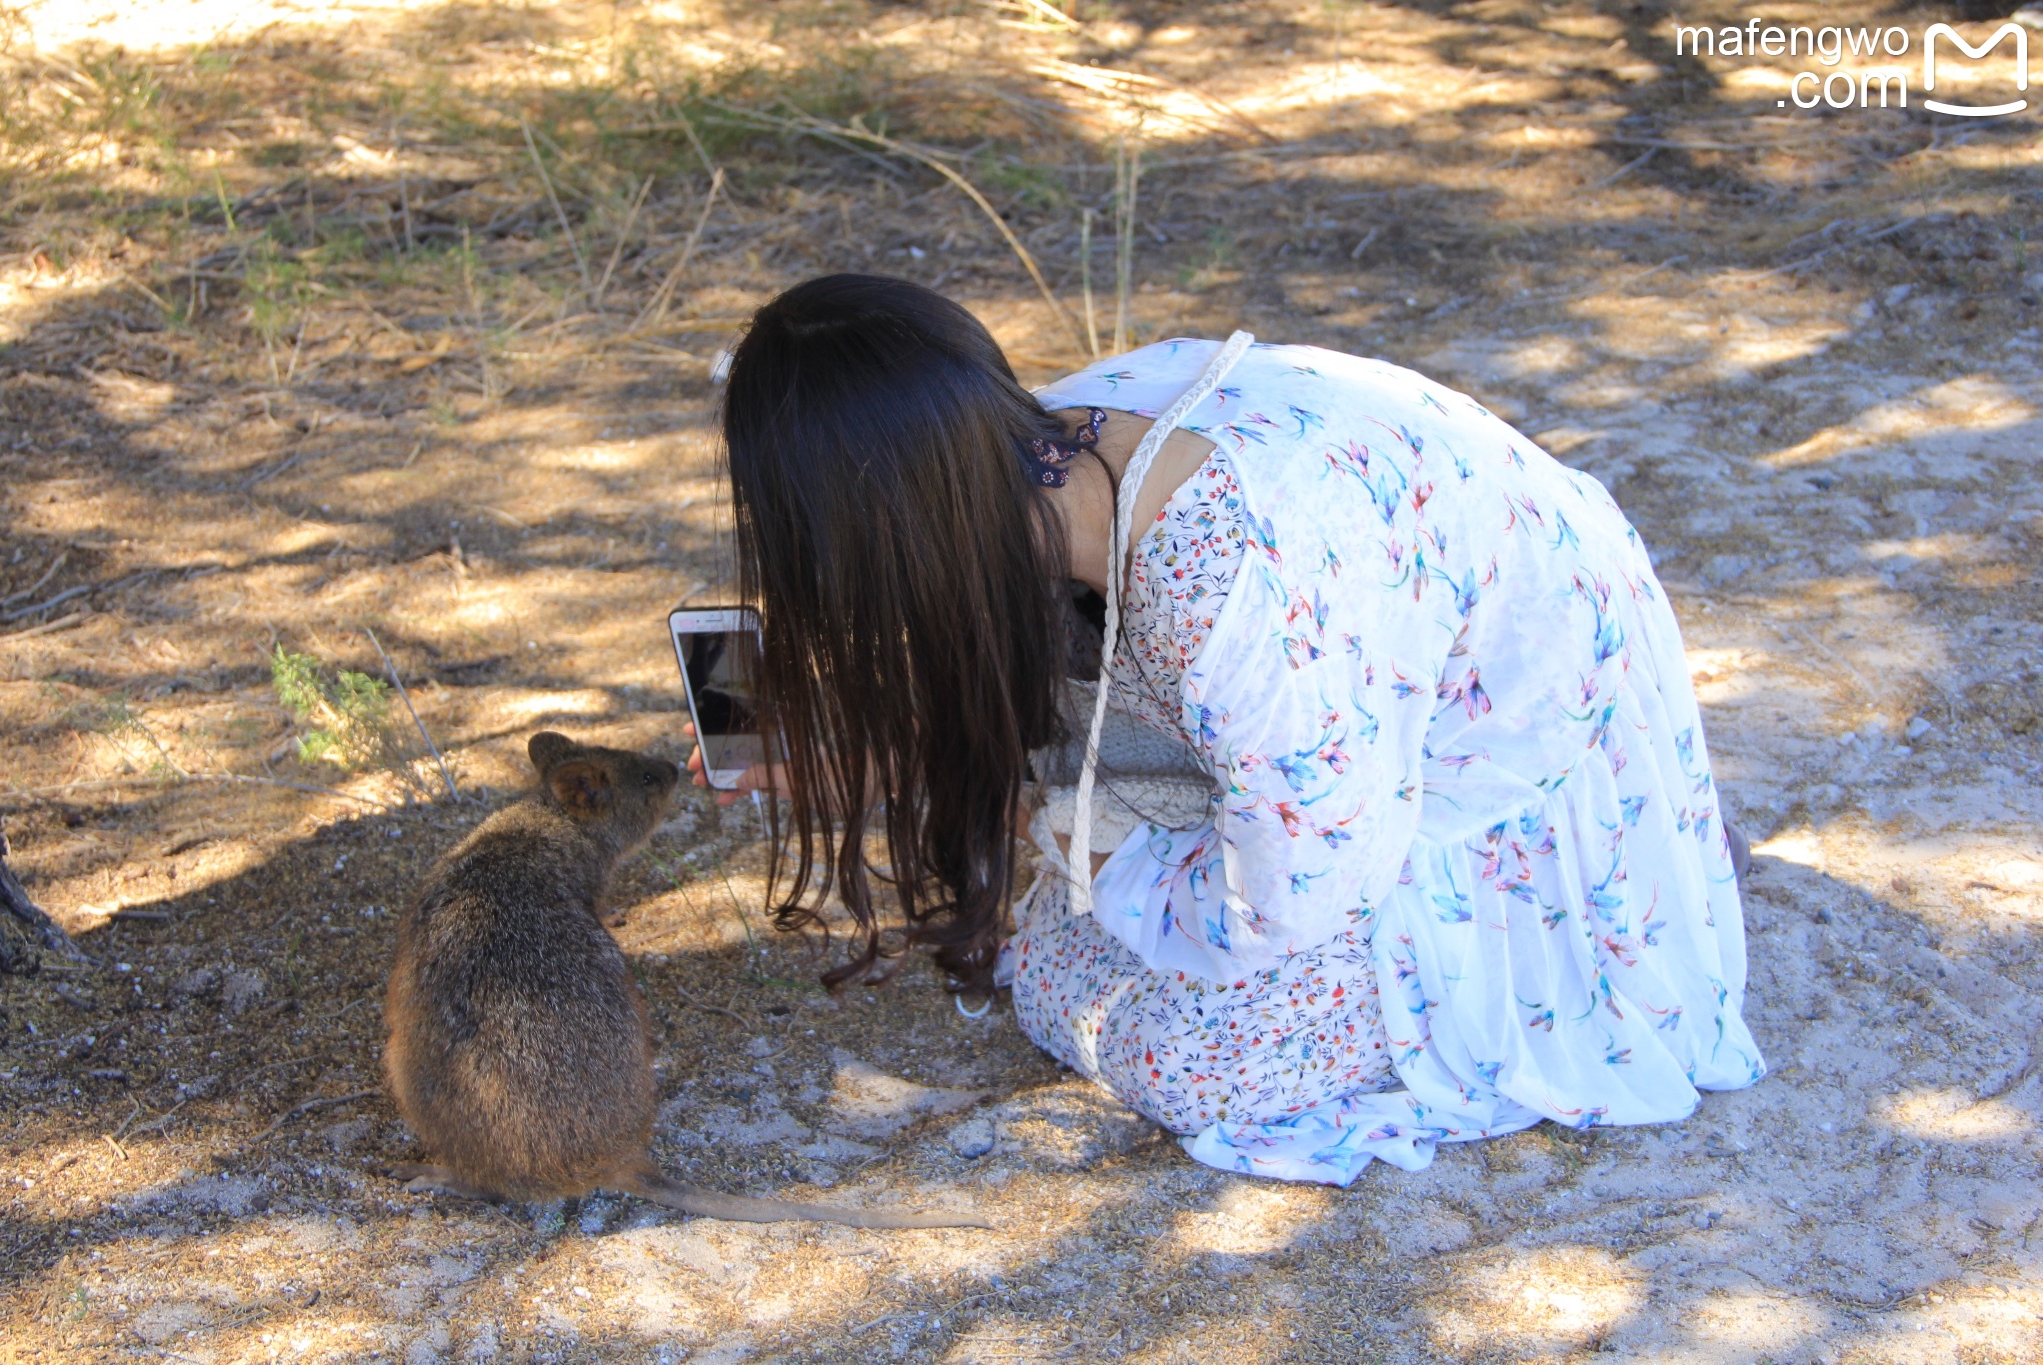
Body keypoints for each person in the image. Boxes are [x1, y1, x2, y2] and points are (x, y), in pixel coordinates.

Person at [692, 273, 1765, 1185]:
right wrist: (896, 754)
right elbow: (1072, 693)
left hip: (1516, 713)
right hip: (1359, 683)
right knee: (1079, 899)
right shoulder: (1013, 448)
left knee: (1185, 1056)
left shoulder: (1220, 573)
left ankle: (1589, 892)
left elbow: (1290, 895)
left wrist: (1081, 846)